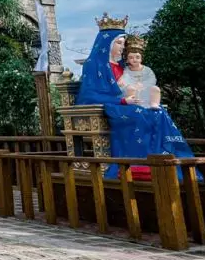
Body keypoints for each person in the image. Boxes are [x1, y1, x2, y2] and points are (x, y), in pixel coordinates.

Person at [75, 13, 193, 179]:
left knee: (158, 113)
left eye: (123, 43)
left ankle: (162, 157)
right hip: (110, 107)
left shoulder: (124, 65)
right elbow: (89, 95)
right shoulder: (93, 65)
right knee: (140, 116)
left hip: (131, 103)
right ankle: (138, 165)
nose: (122, 47)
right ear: (106, 43)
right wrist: (122, 100)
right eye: (118, 43)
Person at [118, 35, 161, 108]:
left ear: (141, 59)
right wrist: (132, 85)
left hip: (145, 90)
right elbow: (123, 80)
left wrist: (143, 85)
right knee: (130, 89)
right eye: (131, 57)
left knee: (155, 89)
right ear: (127, 59)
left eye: (137, 57)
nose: (134, 60)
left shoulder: (147, 70)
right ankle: (134, 104)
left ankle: (154, 104)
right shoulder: (126, 70)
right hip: (132, 91)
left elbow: (152, 79)